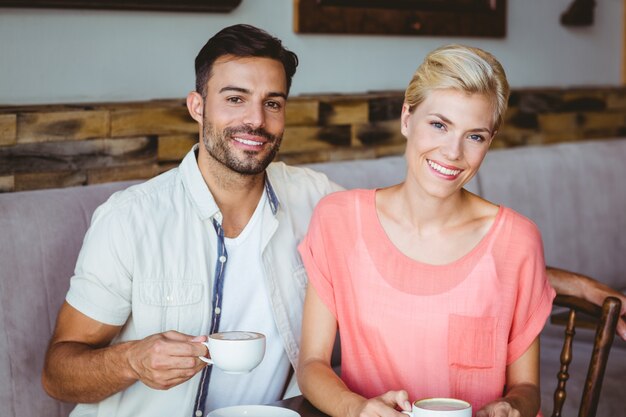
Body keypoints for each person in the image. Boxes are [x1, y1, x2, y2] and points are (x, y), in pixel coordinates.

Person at [42, 25, 625, 417]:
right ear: (198, 106)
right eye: (235, 99)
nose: (256, 119)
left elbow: (424, 236)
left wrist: (560, 282)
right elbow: (57, 373)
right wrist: (132, 359)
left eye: (272, 102)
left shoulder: (314, 200)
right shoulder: (130, 220)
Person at [296, 44, 559, 417]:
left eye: (475, 136)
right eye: (439, 125)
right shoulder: (337, 219)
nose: (453, 152)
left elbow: (527, 387)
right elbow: (311, 366)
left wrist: (509, 407)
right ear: (407, 118)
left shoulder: (518, 241)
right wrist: (359, 410)